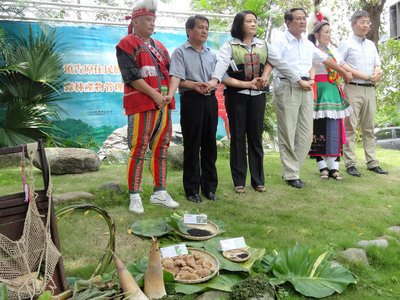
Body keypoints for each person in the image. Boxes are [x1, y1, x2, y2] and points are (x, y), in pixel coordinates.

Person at [208, 10, 311, 194]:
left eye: (255, 21)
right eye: (249, 21)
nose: (254, 24)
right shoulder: (229, 46)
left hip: (258, 97)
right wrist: (214, 82)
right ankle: (239, 180)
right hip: (236, 96)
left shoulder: (263, 44)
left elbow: (280, 63)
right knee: (238, 137)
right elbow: (221, 67)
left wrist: (297, 80)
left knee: (255, 138)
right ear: (240, 24)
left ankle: (258, 180)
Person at [273, 8, 352, 188]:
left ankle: (295, 169)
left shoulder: (307, 45)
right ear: (288, 22)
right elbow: (279, 63)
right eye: (298, 19)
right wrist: (298, 80)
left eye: (303, 19)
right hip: (287, 87)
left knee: (306, 133)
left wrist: (344, 72)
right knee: (288, 132)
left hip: (307, 88)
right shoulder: (280, 42)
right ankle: (291, 173)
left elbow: (326, 60)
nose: (302, 21)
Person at [116, 0, 179, 213]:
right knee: (139, 147)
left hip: (163, 104)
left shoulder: (159, 46)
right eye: (147, 20)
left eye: (153, 20)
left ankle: (159, 191)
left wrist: (169, 94)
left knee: (161, 147)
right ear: (135, 21)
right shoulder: (127, 43)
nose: (152, 24)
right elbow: (131, 76)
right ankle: (134, 195)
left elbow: (172, 73)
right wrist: (155, 95)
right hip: (143, 103)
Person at [167, 15, 218, 203]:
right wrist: (195, 85)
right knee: (192, 146)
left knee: (210, 146)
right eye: (200, 27)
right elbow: (177, 77)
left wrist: (211, 84)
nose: (204, 31)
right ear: (189, 31)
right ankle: (191, 189)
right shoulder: (180, 52)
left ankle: (210, 188)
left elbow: (218, 77)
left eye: (206, 28)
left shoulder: (211, 54)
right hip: (191, 100)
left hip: (210, 100)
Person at [338, 10, 388, 177]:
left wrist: (377, 74)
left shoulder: (371, 45)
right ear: (353, 25)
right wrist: (366, 75)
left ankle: (372, 162)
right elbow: (341, 64)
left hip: (370, 90)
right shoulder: (346, 43)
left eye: (368, 22)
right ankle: (351, 164)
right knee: (350, 126)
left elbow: (378, 65)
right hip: (352, 88)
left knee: (369, 128)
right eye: (362, 22)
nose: (366, 25)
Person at [307, 19, 353, 180]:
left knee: (334, 128)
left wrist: (349, 73)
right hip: (319, 90)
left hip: (333, 90)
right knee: (317, 128)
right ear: (316, 35)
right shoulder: (311, 50)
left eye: (329, 32)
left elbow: (344, 67)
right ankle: (322, 167)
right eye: (325, 32)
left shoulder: (334, 51)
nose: (328, 35)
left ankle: (334, 167)